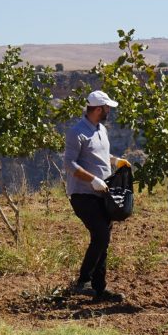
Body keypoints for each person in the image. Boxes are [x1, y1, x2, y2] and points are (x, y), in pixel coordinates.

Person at [64, 90, 131, 302]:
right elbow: (69, 164)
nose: (110, 111)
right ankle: (83, 281)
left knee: (104, 240)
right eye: (107, 107)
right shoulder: (77, 132)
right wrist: (92, 179)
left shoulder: (101, 129)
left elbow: (98, 155)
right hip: (83, 194)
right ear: (99, 109)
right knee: (101, 235)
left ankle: (99, 290)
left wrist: (114, 160)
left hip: (103, 195)